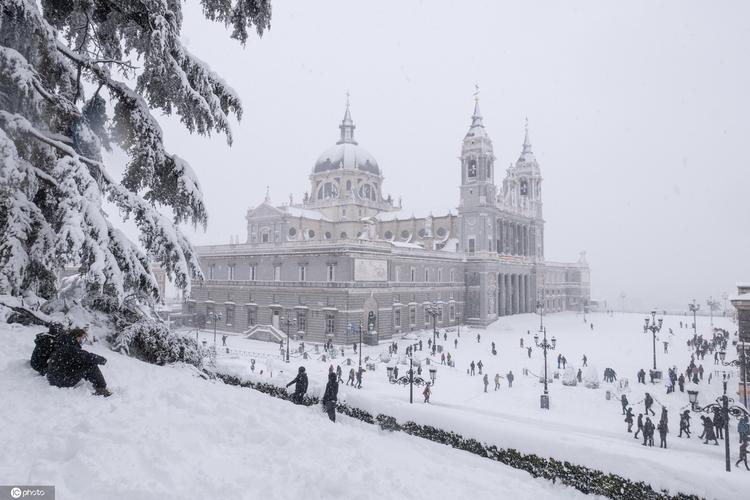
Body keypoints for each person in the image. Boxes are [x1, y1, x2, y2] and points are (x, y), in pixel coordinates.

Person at [46, 328, 111, 397]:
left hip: (54, 376)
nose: (82, 340)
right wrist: (102, 360)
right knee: (91, 365)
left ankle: (93, 382)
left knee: (82, 363)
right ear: (76, 336)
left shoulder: (64, 341)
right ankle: (101, 389)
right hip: (60, 380)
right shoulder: (70, 346)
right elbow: (87, 356)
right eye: (82, 338)